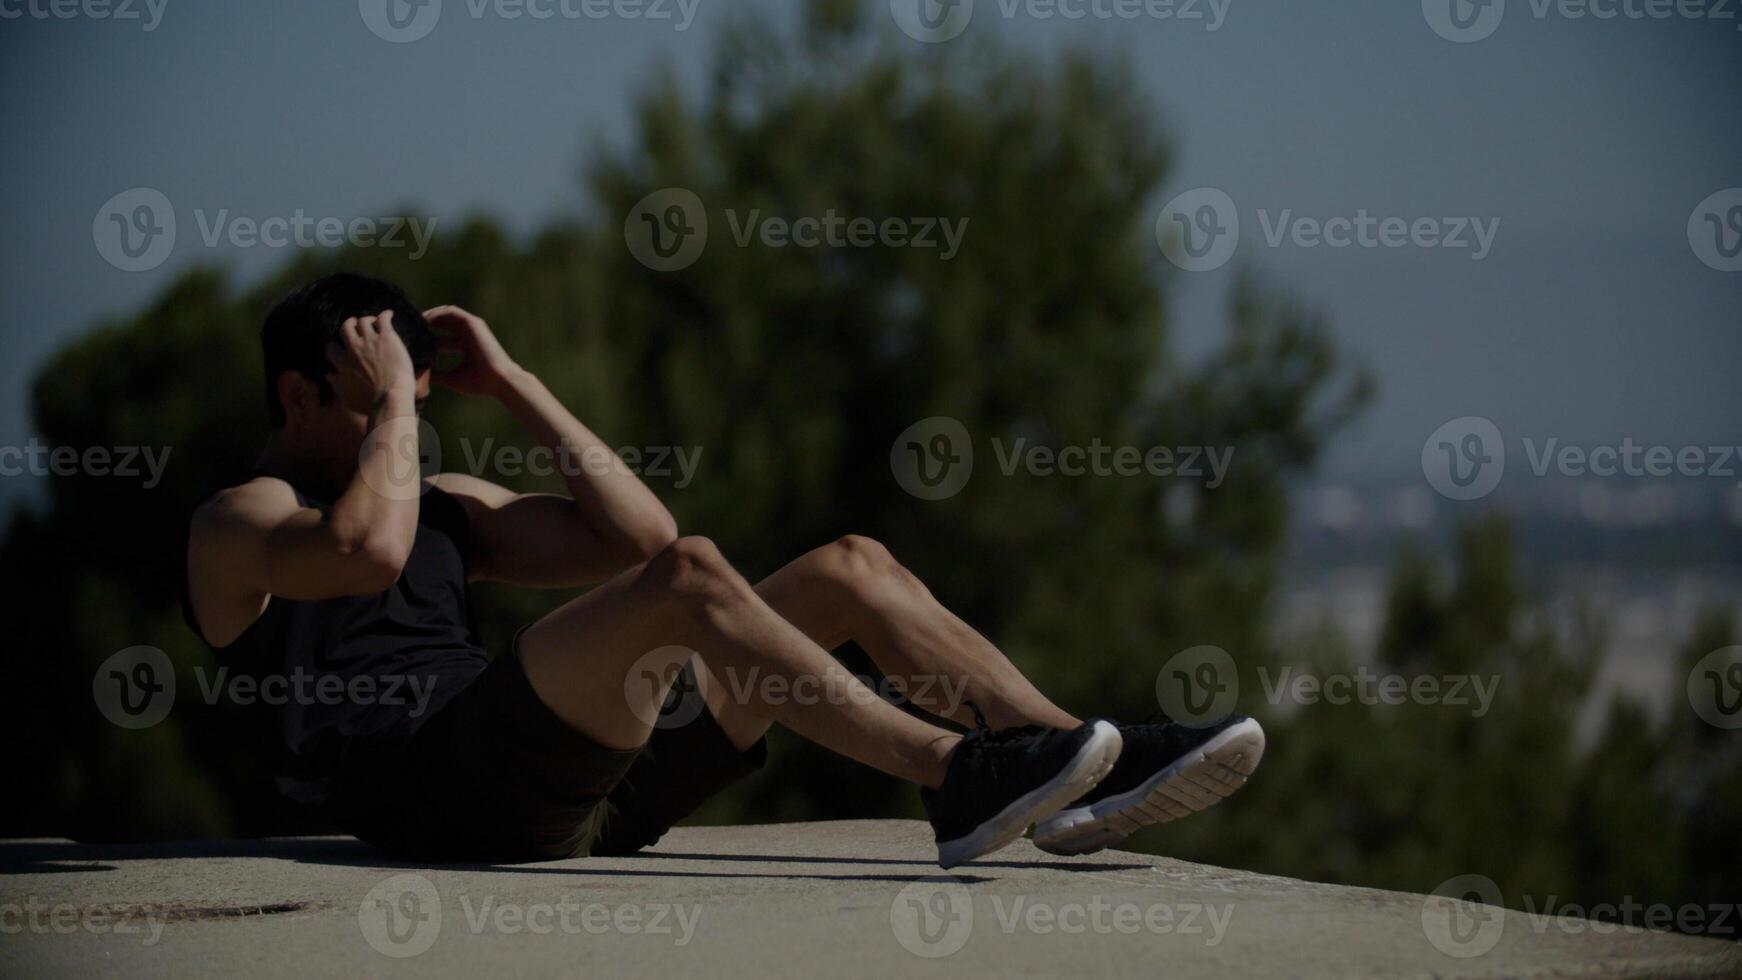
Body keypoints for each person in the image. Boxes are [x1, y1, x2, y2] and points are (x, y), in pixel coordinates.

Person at [183, 272, 1265, 868]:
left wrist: (512, 380)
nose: (405, 430)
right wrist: (400, 411)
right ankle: (955, 775)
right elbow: (362, 548)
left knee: (851, 564)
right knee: (697, 577)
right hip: (443, 795)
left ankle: (1077, 761)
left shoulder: (444, 507)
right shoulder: (242, 522)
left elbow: (633, 535)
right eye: (379, 405)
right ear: (293, 399)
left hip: (587, 790)